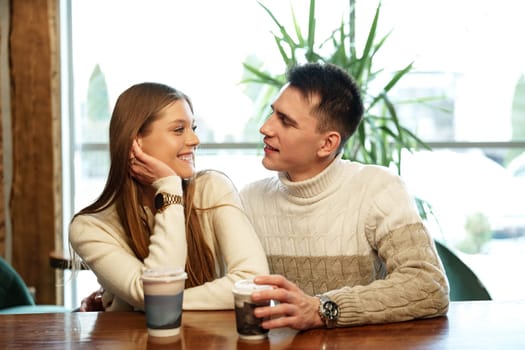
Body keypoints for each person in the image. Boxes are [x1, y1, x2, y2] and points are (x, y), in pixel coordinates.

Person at [240, 63, 449, 330]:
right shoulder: (249, 199)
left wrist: (322, 309)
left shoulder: (379, 188)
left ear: (327, 143)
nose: (266, 128)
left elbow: (429, 286)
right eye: (272, 114)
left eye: (286, 121)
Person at [69, 82, 269, 312]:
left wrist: (162, 303)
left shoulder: (212, 189)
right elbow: (157, 289)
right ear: (136, 141)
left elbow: (254, 282)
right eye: (178, 130)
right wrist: (169, 189)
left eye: (193, 128)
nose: (195, 140)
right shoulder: (90, 227)